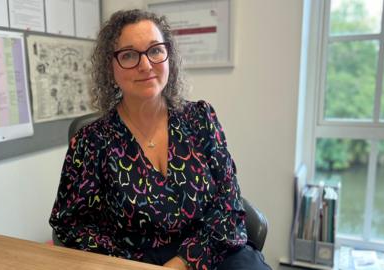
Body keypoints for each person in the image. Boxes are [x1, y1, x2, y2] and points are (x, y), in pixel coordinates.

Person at [49, 9, 271, 270]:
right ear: (111, 67)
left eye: (155, 50)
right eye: (129, 55)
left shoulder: (200, 118)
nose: (145, 65)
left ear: (169, 57)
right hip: (134, 261)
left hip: (212, 251)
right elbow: (70, 222)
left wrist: (182, 262)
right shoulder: (91, 140)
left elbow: (228, 203)